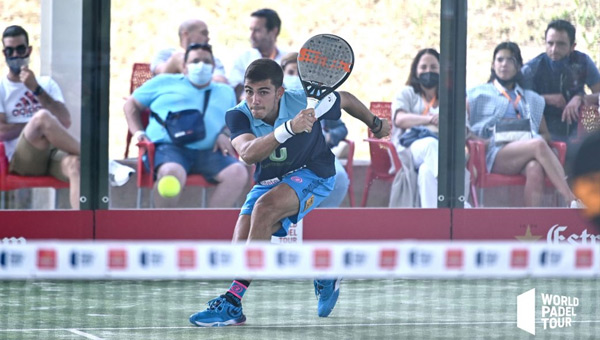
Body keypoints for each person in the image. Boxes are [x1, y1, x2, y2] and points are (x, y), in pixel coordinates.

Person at [188, 58, 390, 326]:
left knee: (264, 209)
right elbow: (247, 154)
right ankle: (324, 270)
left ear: (279, 92)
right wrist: (289, 129)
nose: (254, 99)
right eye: (249, 90)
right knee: (240, 248)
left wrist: (375, 123)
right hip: (268, 181)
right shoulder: (238, 114)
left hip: (314, 172)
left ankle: (232, 302)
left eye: (263, 92)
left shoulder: (302, 102)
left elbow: (347, 100)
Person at [124, 43, 248, 208]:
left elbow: (235, 120)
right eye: (195, 61)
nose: (201, 65)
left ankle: (209, 227)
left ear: (213, 68)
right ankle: (164, 227)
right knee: (172, 173)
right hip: (168, 149)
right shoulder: (164, 82)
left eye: (206, 61)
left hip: (209, 152)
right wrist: (139, 133)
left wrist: (225, 133)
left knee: (238, 173)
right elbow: (130, 105)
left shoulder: (225, 91)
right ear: (184, 66)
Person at [467, 41, 581, 207]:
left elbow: (545, 134)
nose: (504, 64)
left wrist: (523, 138)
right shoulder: (477, 94)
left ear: (519, 66)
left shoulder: (530, 98)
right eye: (500, 60)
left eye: (510, 60)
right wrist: (482, 140)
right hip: (494, 152)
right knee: (538, 146)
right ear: (493, 65)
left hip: (525, 149)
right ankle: (571, 199)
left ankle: (530, 225)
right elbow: (463, 128)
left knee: (534, 167)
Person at [0, 25, 80, 209]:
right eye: (9, 51)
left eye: (20, 49)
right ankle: (100, 162)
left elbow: (65, 121)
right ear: (4, 53)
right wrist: (36, 126)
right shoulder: (2, 87)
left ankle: (82, 230)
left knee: (75, 165)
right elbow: (1, 132)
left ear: (28, 50)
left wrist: (35, 88)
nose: (15, 55)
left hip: (53, 155)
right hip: (22, 158)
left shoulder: (45, 83)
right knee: (42, 117)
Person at [280, 52, 350, 207]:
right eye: (291, 73)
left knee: (338, 177)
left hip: (319, 154)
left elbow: (341, 129)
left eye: (300, 74)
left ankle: (321, 222)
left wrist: (329, 137)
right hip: (286, 157)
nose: (296, 78)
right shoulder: (277, 102)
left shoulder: (323, 100)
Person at [521, 19, 600, 144]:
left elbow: (598, 94)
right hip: (545, 130)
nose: (554, 49)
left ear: (572, 46)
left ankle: (590, 148)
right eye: (550, 43)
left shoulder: (583, 62)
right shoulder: (531, 69)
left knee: (592, 111)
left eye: (561, 44)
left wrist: (580, 98)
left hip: (580, 125)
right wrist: (545, 99)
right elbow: (519, 102)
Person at [391, 48, 441, 208]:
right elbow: (400, 119)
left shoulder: (450, 95)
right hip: (412, 147)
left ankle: (432, 220)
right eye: (424, 67)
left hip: (443, 151)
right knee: (430, 145)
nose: (428, 71)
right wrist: (429, 120)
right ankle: (455, 197)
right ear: (416, 70)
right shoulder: (407, 93)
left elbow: (463, 128)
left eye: (434, 67)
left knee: (427, 172)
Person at [228, 8, 287, 101]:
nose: (251, 36)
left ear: (273, 31)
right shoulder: (243, 59)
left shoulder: (288, 60)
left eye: (257, 30)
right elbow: (233, 91)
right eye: (251, 30)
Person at [151, 19, 228, 83]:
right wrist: (177, 60)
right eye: (204, 33)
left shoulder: (213, 60)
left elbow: (221, 82)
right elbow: (160, 77)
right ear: (185, 35)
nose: (208, 38)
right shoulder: (165, 54)